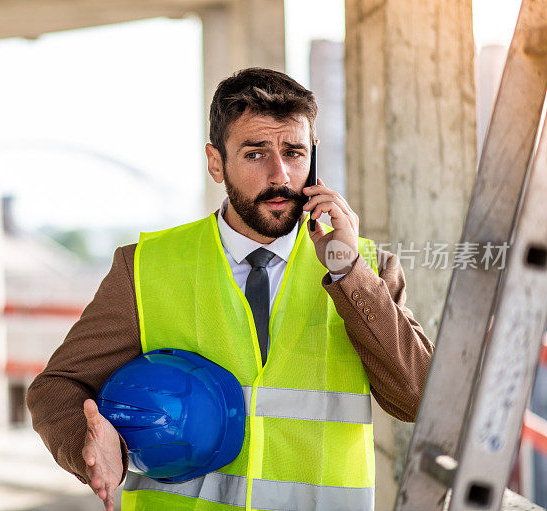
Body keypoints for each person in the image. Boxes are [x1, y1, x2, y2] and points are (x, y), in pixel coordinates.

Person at [27, 67, 434, 511]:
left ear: (314, 159)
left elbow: (418, 399)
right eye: (256, 154)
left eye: (294, 153)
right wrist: (88, 448)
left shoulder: (368, 270)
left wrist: (347, 270)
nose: (280, 175)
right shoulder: (143, 267)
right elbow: (56, 386)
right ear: (216, 162)